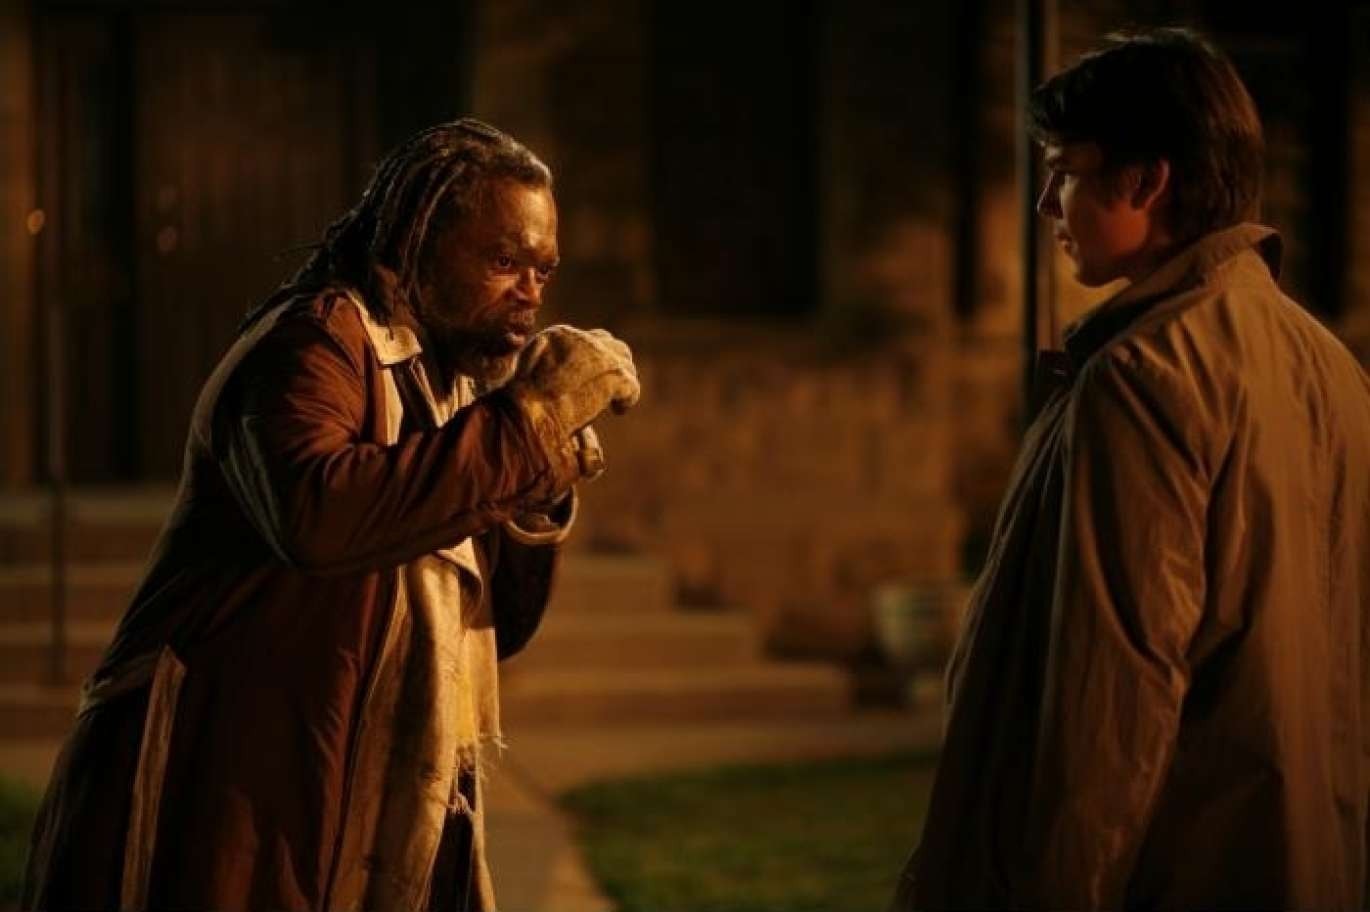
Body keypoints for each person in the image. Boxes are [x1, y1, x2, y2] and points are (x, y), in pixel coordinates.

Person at [23, 119, 639, 911]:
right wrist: (527, 425)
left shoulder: (450, 382)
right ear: (417, 244)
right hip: (227, 790)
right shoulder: (312, 342)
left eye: (542, 270)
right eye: (502, 262)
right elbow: (320, 514)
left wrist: (540, 477)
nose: (530, 291)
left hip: (365, 788)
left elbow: (497, 622)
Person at [893, 28, 1370, 910]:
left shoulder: (1145, 375)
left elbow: (1110, 706)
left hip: (1178, 872)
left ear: (1147, 181)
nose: (1047, 203)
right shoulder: (1333, 369)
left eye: (1065, 171)